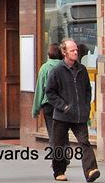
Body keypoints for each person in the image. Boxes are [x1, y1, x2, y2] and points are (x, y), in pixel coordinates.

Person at [45, 39, 100, 183]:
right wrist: (63, 106)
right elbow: (50, 93)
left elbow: (88, 90)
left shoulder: (81, 69)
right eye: (72, 50)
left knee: (84, 143)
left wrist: (86, 105)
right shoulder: (56, 70)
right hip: (62, 115)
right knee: (59, 144)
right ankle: (59, 171)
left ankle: (90, 170)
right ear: (64, 52)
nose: (76, 52)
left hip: (79, 115)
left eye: (76, 50)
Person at [35, 43, 66, 175]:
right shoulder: (65, 66)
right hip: (63, 104)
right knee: (63, 131)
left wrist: (35, 109)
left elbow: (39, 90)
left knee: (53, 133)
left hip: (48, 105)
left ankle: (56, 159)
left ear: (49, 54)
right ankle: (65, 156)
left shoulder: (45, 67)